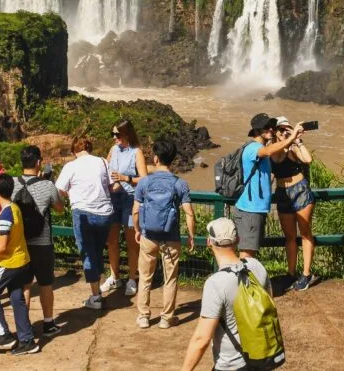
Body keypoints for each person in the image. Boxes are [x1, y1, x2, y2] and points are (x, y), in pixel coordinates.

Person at [180, 217, 274, 371]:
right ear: (237, 240)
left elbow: (201, 339)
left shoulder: (215, 283)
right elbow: (269, 303)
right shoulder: (256, 266)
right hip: (260, 358)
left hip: (232, 365)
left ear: (209, 242)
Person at [132, 139, 195, 329]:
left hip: (148, 235)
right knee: (170, 278)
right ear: (173, 159)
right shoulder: (180, 184)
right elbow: (189, 212)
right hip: (171, 236)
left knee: (145, 276)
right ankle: (166, 318)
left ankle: (143, 316)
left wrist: (137, 229)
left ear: (156, 158)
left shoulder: (144, 182)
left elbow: (135, 210)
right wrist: (191, 235)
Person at [0, 173, 38, 355]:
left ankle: (4, 335)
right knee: (16, 298)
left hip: (9, 262)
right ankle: (27, 339)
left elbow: (2, 245)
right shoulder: (13, 208)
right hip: (22, 260)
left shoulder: (5, 215)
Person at [55, 136, 114, 310]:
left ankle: (96, 297)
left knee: (87, 253)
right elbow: (113, 186)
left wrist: (71, 194)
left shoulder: (71, 166)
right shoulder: (103, 162)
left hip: (83, 214)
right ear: (89, 148)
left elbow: (59, 189)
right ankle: (98, 285)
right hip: (105, 214)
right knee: (96, 250)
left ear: (75, 151)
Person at [12, 145, 65, 337]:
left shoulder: (12, 183)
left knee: (24, 285)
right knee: (45, 284)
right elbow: (60, 208)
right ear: (38, 162)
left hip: (19, 243)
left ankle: (24, 326)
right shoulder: (47, 186)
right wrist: (47, 182)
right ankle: (49, 323)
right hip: (42, 243)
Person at [233, 113, 300, 259]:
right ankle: (245, 282)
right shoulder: (253, 148)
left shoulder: (261, 149)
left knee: (251, 252)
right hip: (249, 209)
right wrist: (292, 136)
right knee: (246, 254)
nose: (271, 129)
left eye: (271, 126)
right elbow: (269, 151)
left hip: (256, 208)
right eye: (266, 127)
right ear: (257, 131)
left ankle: (250, 281)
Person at [271, 116, 319, 292]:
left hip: (300, 191)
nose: (284, 132)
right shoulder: (273, 149)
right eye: (281, 129)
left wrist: (297, 140)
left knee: (305, 233)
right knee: (289, 236)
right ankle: (290, 273)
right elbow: (276, 159)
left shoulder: (293, 147)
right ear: (274, 132)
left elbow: (307, 159)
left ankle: (306, 274)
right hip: (282, 193)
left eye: (287, 129)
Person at [103, 120, 148, 297]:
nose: (115, 138)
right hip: (113, 199)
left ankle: (131, 278)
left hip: (130, 201)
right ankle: (114, 276)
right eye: (113, 134)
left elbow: (144, 178)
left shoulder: (136, 152)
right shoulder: (113, 150)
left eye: (118, 135)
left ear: (127, 134)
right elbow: (104, 169)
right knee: (111, 240)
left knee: (131, 241)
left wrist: (125, 178)